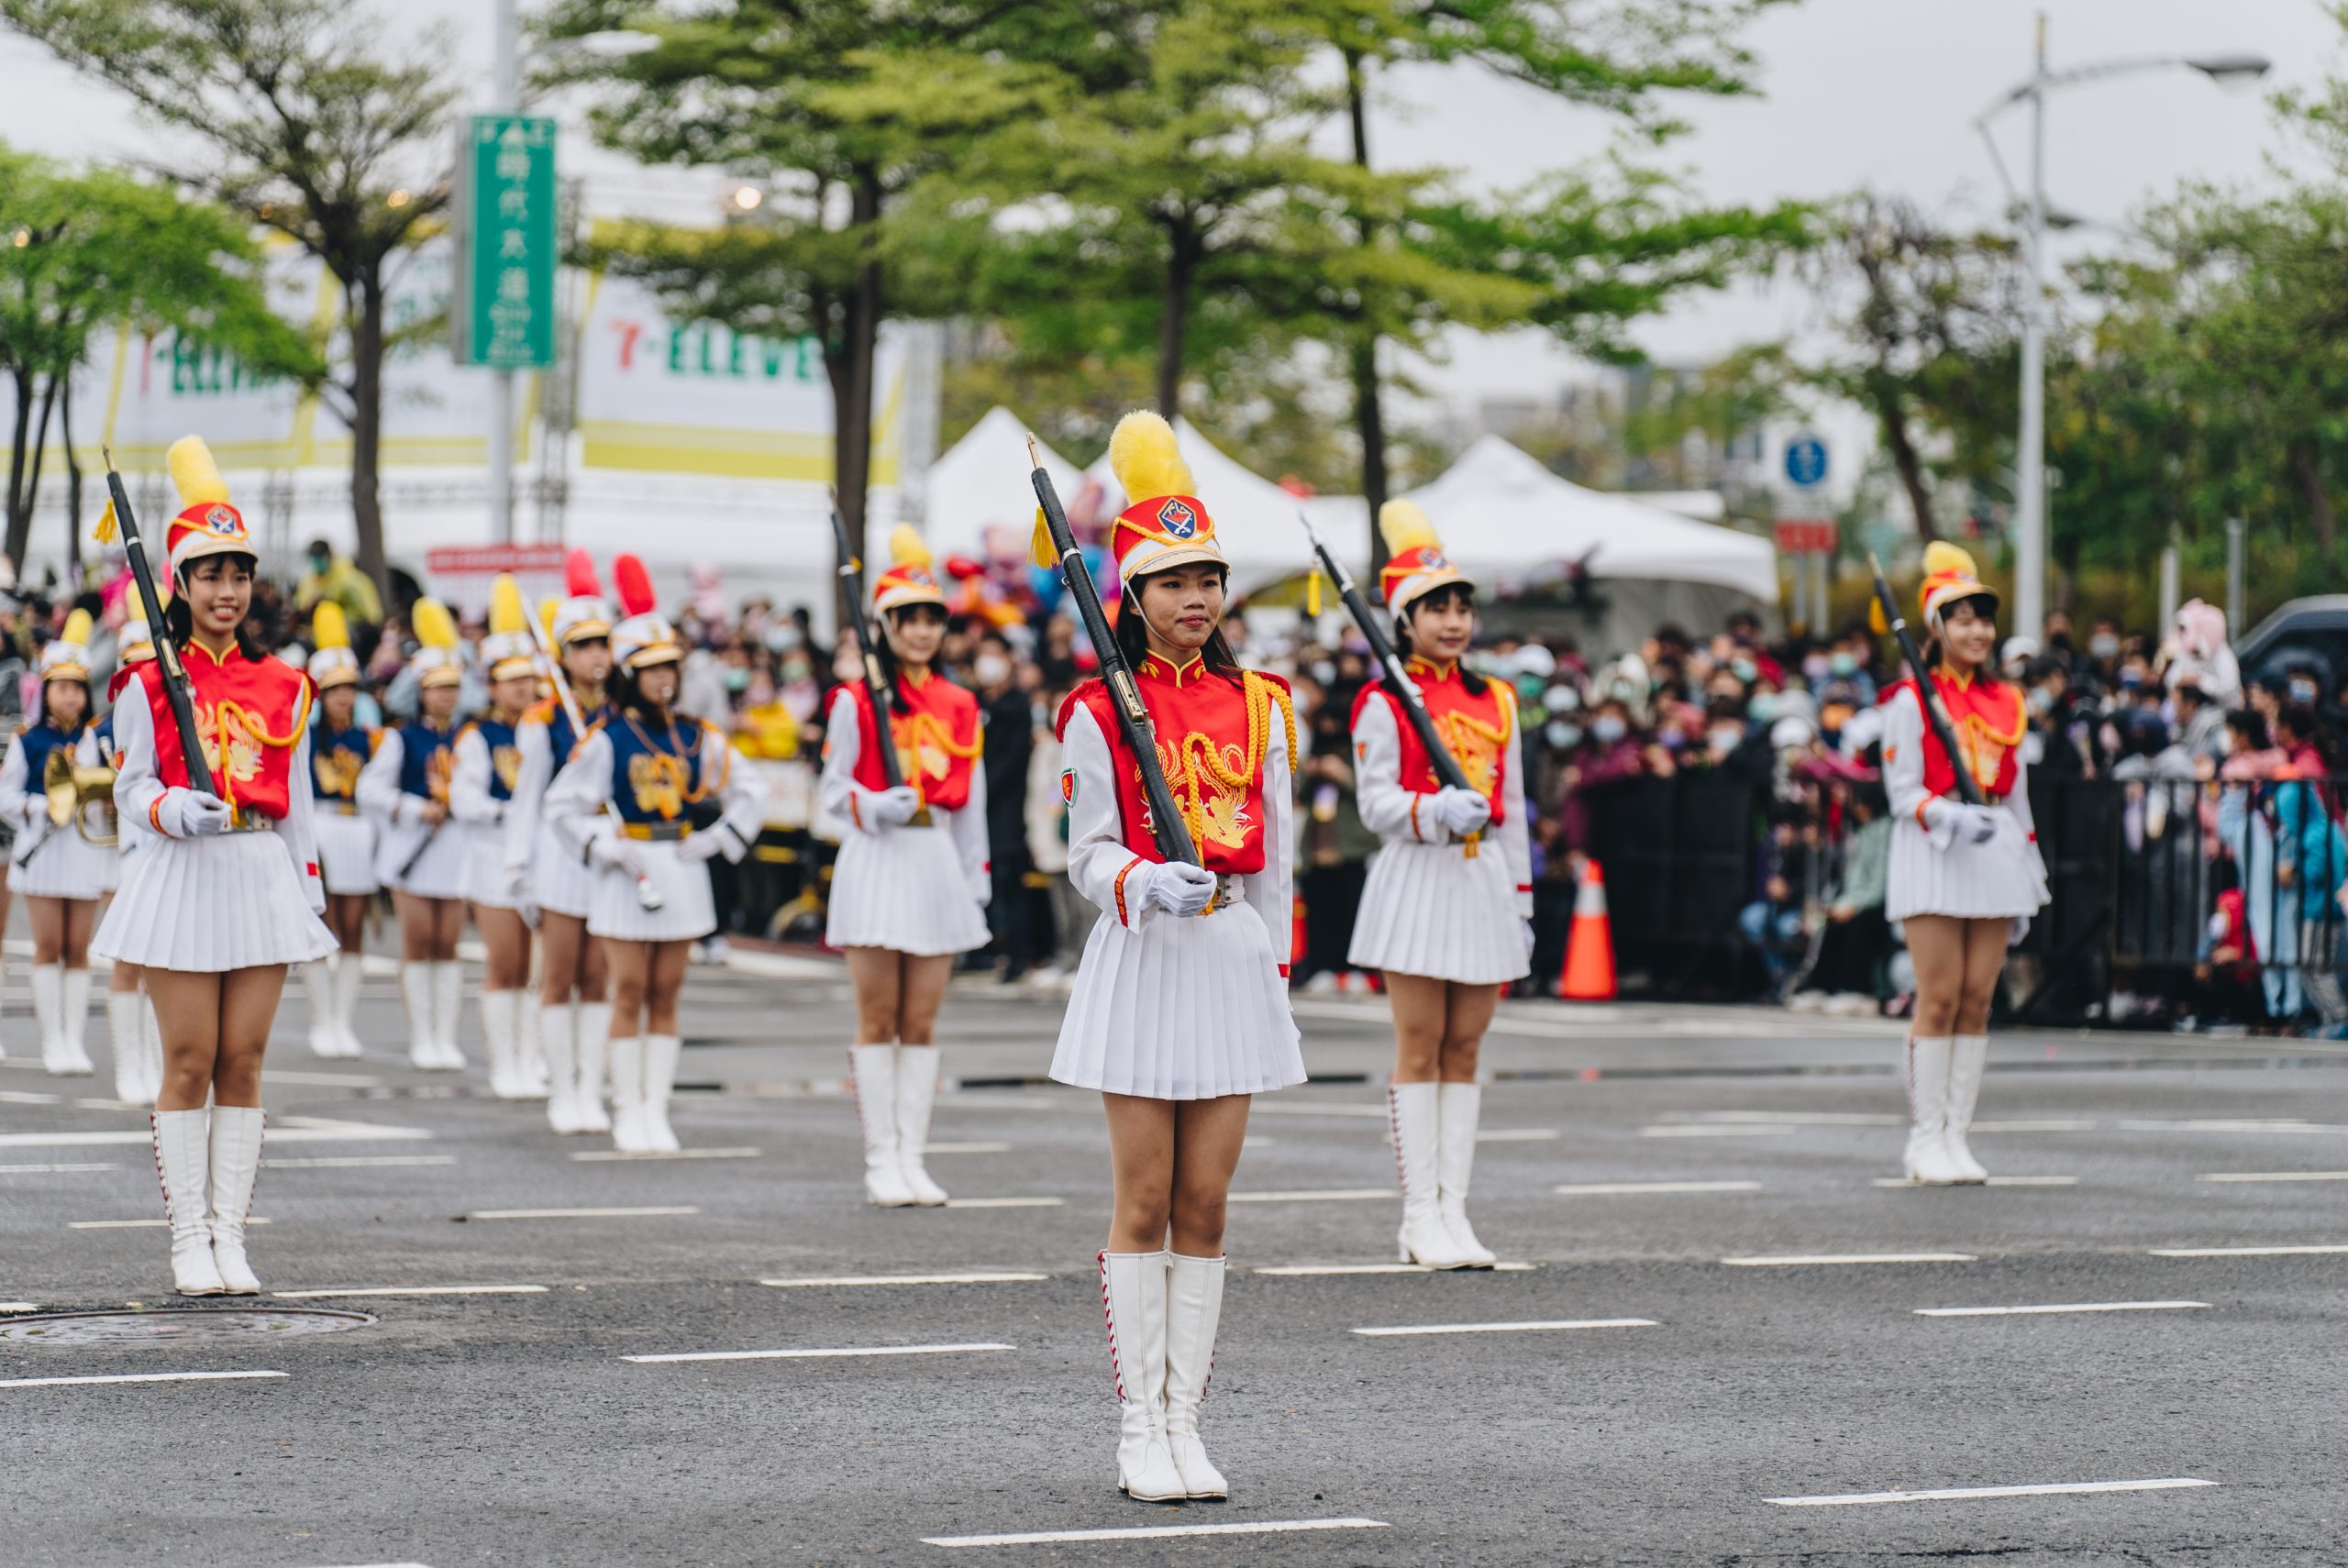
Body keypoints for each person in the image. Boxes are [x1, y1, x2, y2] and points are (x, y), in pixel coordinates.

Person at [1048, 412, 1302, 1503]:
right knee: (1142, 1197)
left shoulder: (1263, 703)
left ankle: (1188, 1421)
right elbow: (1081, 853)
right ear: (1133, 595)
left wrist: (1274, 967)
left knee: (1208, 1204)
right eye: (1173, 582)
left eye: (1209, 579)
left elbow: (1278, 850)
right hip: (1147, 949)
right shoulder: (1097, 705)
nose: (1196, 599)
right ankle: (1137, 1425)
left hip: (1229, 951)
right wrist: (1139, 880)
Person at [94, 436, 334, 1295]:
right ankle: (187, 1237)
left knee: (245, 1060)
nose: (227, 593)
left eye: (239, 576)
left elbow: (298, 808)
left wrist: (311, 898)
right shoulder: (144, 682)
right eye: (210, 576)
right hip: (182, 872)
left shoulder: (287, 684)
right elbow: (126, 789)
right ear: (181, 585)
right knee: (188, 1060)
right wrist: (169, 808)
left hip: (259, 874)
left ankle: (232, 1235)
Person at [1344, 501, 1529, 1269]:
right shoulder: (1384, 699)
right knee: (1419, 1047)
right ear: (1404, 616)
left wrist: (1521, 900)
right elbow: (1375, 802)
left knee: (1466, 1047)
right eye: (1436, 608)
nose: (1453, 621)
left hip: (1481, 875)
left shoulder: (1497, 699)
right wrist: (1433, 810)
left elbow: (1513, 804)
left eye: (1461, 607)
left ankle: (1456, 1209)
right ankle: (1420, 1213)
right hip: (1417, 876)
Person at [544, 554, 761, 1152]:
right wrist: (600, 844)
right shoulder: (607, 737)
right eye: (650, 668)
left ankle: (655, 1107)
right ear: (628, 674)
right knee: (629, 991)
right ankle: (626, 1107)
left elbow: (751, 790)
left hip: (682, 868)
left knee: (667, 994)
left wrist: (718, 840)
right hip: (627, 870)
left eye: (670, 665)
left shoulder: (698, 735)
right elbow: (560, 807)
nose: (664, 677)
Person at [821, 526, 991, 1207]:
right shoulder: (854, 699)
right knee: (878, 1016)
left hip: (934, 854)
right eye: (907, 619)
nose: (921, 632)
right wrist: (872, 804)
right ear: (884, 625)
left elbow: (970, 800)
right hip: (876, 854)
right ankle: (880, 1157)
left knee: (921, 1022)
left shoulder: (961, 702)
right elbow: (832, 788)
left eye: (931, 620)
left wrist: (975, 880)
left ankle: (914, 1155)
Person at [1880, 543, 2050, 1186]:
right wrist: (1951, 816)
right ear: (1937, 628)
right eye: (1962, 619)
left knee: (1979, 999)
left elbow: (2016, 794)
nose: (1976, 631)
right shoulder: (1909, 700)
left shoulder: (2008, 700)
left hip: (1994, 856)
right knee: (1941, 996)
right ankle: (1925, 1139)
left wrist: (2027, 865)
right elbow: (1901, 792)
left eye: (1984, 619)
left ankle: (1957, 1135)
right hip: (1934, 850)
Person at [507, 551, 615, 1134]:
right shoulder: (543, 717)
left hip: (610, 847)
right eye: (583, 645)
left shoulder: (625, 713)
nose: (595, 655)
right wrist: (518, 865)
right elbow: (528, 797)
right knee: (559, 973)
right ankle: (561, 1089)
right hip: (556, 848)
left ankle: (591, 1089)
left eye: (602, 643)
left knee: (599, 977)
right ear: (563, 656)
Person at [358, 599, 468, 1071]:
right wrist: (417, 807)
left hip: (456, 847)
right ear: (419, 691)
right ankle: (422, 1035)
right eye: (437, 689)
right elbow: (370, 788)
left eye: (453, 688)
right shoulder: (400, 738)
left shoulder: (468, 736)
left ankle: (446, 1036)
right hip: (414, 849)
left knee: (449, 944)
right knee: (419, 941)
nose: (446, 697)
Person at [1, 610, 110, 1076]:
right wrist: (40, 807)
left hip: (82, 850)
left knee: (78, 948)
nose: (71, 695)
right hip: (44, 847)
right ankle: (51, 1041)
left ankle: (74, 1039)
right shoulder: (28, 740)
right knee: (48, 947)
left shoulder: (94, 740)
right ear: (45, 691)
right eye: (61, 686)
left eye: (78, 686)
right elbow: (5, 797)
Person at [450, 576, 543, 1099]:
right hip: (492, 855)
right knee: (505, 965)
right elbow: (466, 801)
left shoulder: (543, 728)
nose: (522, 689)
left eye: (528, 679)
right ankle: (505, 1062)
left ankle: (532, 1057)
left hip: (536, 856)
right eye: (511, 681)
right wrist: (512, 812)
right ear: (491, 685)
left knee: (536, 969)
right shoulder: (478, 735)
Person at [300, 602, 377, 1060]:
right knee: (321, 924)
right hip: (321, 826)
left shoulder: (371, 738)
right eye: (334, 691)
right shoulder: (304, 737)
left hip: (357, 829)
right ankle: (321, 1019)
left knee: (353, 928)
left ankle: (343, 1021)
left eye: (349, 689)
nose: (343, 698)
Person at [97, 596, 164, 1103]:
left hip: (166, 853)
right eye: (132, 663)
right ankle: (128, 1065)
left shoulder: (174, 725)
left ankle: (159, 1062)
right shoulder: (99, 733)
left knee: (164, 962)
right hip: (123, 855)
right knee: (127, 963)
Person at [294, 536, 382, 645]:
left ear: (330, 555)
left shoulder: (349, 577)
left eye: (319, 557)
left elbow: (370, 612)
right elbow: (301, 607)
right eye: (314, 557)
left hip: (351, 633)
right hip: (319, 637)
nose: (317, 562)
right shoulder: (308, 581)